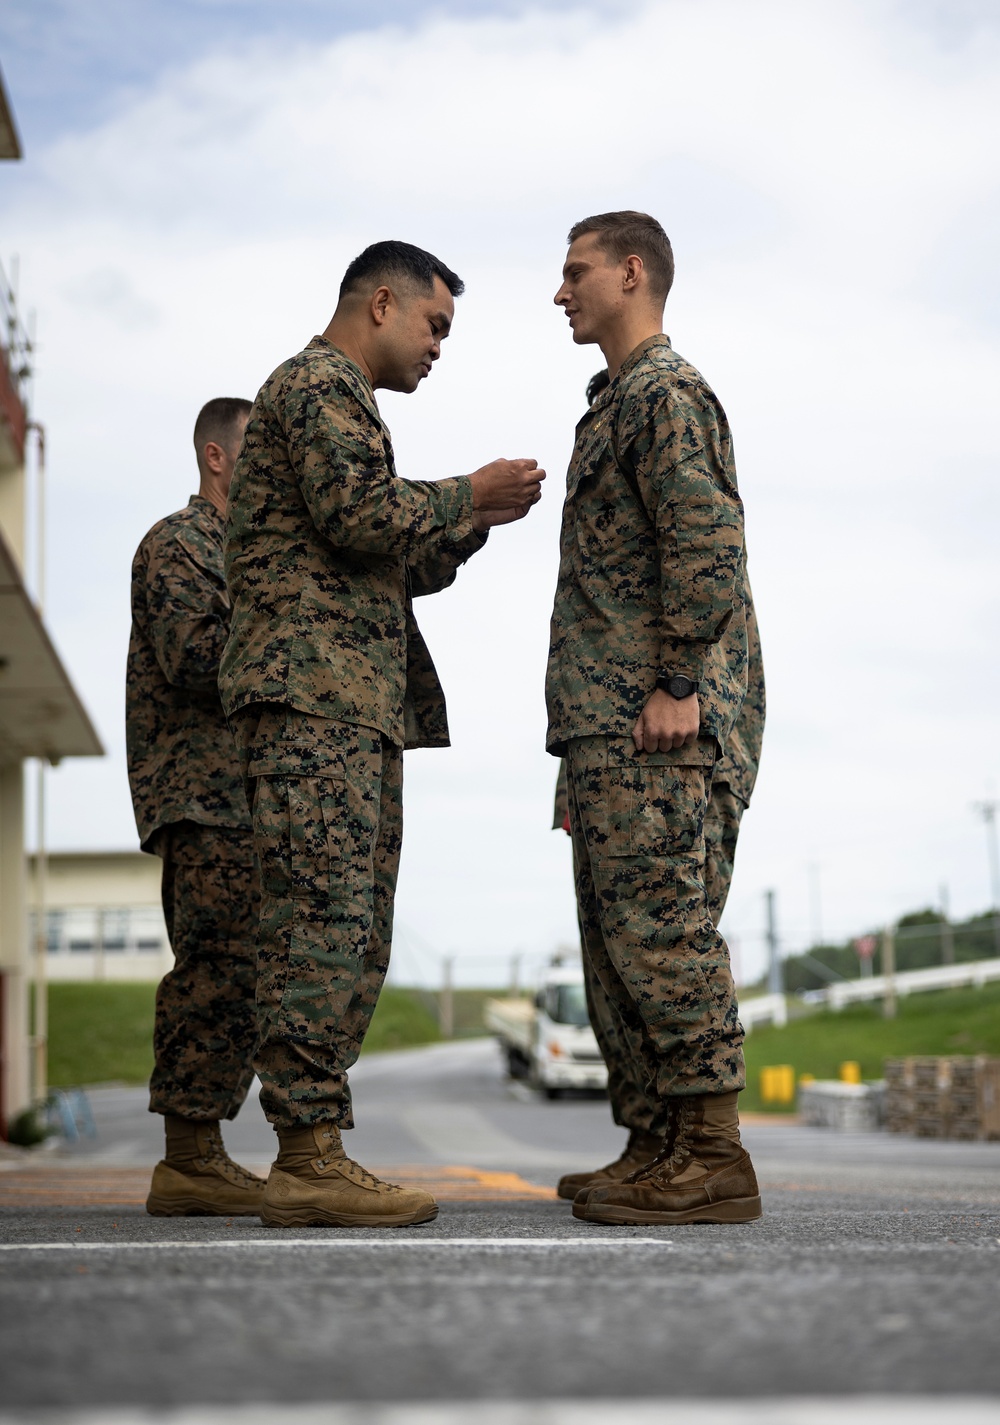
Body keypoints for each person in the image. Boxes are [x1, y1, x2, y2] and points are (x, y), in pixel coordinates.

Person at [220, 239, 544, 1229]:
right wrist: (464, 495)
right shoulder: (319, 386)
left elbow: (390, 559)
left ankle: (318, 1148)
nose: (439, 346)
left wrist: (472, 521)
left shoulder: (346, 404)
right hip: (313, 703)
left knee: (351, 927)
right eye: (434, 324)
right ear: (382, 303)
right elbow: (361, 515)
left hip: (353, 705)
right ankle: (307, 1156)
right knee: (321, 922)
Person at [547, 211, 761, 1225]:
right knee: (616, 948)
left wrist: (678, 681)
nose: (562, 292)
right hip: (610, 732)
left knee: (665, 936)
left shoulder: (665, 395)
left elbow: (705, 542)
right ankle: (655, 1145)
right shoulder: (614, 405)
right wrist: (574, 765)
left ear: (633, 273)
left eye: (576, 271)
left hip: (658, 722)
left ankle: (713, 1156)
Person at [127, 396, 266, 1218]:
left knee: (240, 967)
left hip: (237, 793)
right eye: (257, 450)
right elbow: (194, 657)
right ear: (216, 457)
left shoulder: (243, 549)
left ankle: (202, 1147)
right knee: (213, 967)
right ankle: (187, 1156)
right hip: (201, 790)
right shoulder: (180, 545)